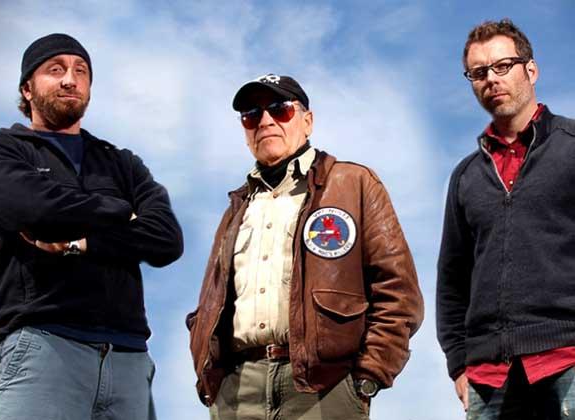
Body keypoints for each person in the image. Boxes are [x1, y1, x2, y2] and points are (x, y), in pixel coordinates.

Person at [187, 73, 423, 419]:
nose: (265, 121)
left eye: (279, 109)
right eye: (251, 115)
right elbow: (212, 300)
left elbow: (398, 291)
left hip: (324, 387)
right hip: (236, 390)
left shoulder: (353, 183)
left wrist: (369, 375)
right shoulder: (236, 207)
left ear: (307, 121)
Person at [0, 33, 183, 420]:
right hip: (41, 347)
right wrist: (121, 211)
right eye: (55, 69)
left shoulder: (122, 163)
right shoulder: (0, 151)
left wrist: (83, 242)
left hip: (129, 357)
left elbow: (165, 240)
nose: (70, 80)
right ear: (27, 89)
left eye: (81, 71)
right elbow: (37, 211)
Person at [437, 19, 575, 418]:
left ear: (531, 70)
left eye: (502, 66)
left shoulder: (570, 147)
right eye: (479, 72)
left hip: (567, 358)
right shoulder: (465, 175)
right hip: (488, 377)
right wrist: (458, 363)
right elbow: (452, 276)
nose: (491, 79)